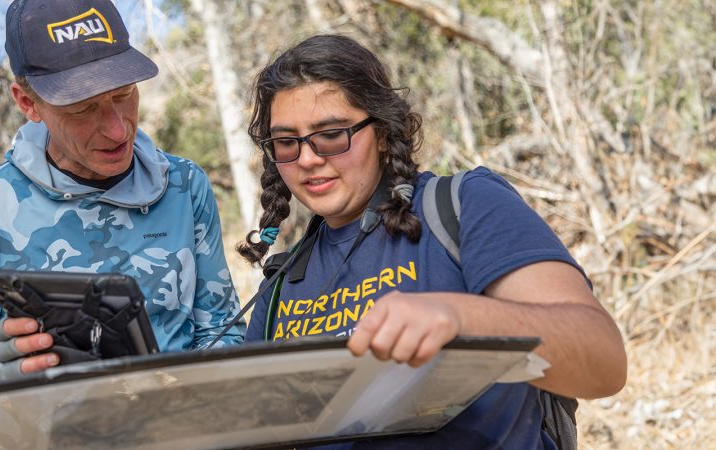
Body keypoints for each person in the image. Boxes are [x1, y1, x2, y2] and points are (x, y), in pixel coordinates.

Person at [238, 34, 627, 448]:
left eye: (331, 133)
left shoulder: (464, 206)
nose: (308, 158)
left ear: (383, 132)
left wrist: (461, 318)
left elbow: (604, 362)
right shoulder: (282, 282)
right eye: (285, 142)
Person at [0, 0, 244, 390]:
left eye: (124, 94)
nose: (117, 130)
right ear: (28, 103)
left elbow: (224, 335)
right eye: (82, 109)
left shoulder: (183, 186)